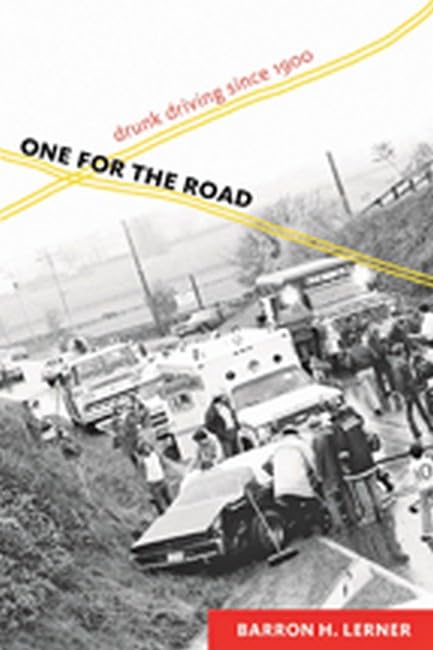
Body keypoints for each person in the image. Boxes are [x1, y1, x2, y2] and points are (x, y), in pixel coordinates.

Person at [389, 343, 433, 439]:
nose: (405, 352)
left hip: (409, 390)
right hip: (409, 391)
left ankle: (422, 428)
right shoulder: (401, 364)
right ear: (401, 352)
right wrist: (406, 391)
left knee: (416, 410)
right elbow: (401, 380)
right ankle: (420, 429)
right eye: (403, 350)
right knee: (413, 411)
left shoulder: (398, 364)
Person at [397, 443, 433, 542]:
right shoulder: (429, 461)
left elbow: (413, 481)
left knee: (425, 510)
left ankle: (427, 533)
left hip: (423, 488)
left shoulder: (412, 465)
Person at [135, 439, 172, 515]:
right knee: (161, 504)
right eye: (144, 448)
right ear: (142, 450)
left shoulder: (155, 454)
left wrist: (166, 474)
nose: (147, 449)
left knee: (170, 499)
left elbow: (163, 463)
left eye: (147, 447)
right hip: (153, 483)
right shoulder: (142, 460)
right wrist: (145, 486)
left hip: (162, 479)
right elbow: (141, 473)